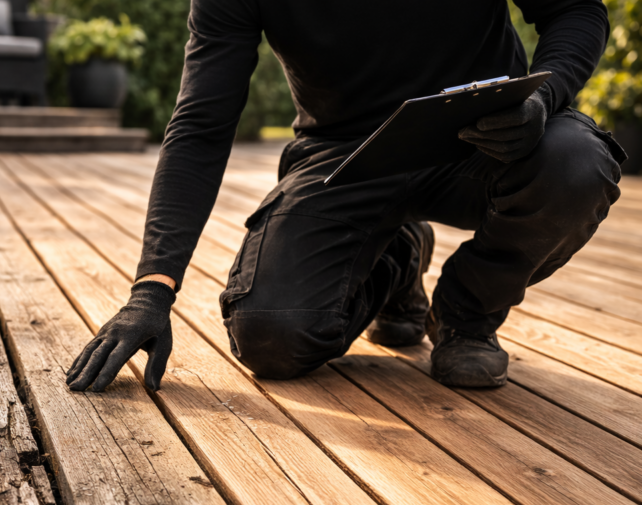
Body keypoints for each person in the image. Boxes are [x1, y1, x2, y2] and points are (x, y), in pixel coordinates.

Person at [66, 0, 625, 393]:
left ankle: (467, 315)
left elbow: (575, 8)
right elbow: (201, 124)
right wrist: (152, 289)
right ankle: (398, 260)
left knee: (577, 162)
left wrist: (544, 95)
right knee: (271, 334)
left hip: (485, 136)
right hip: (345, 156)